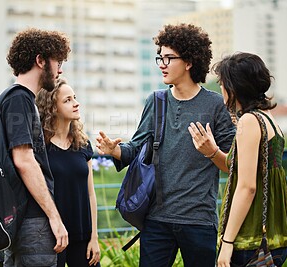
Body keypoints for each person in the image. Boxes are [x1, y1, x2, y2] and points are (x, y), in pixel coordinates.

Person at [96, 23, 235, 267]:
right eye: (160, 57)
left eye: (169, 58)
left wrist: (211, 152)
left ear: (189, 62)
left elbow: (233, 166)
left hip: (199, 219)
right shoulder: (157, 101)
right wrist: (114, 150)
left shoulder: (215, 105)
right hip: (156, 219)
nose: (162, 63)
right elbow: (137, 149)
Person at [188, 52, 287, 267]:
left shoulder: (249, 121)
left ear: (233, 87)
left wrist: (227, 242)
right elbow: (244, 169)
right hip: (274, 239)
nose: (221, 89)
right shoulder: (268, 119)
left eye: (222, 83)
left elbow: (247, 187)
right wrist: (212, 151)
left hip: (251, 241)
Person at [1, 28, 71, 266]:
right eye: (57, 62)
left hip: (16, 218)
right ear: (40, 60)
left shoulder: (11, 99)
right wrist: (54, 217)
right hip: (32, 222)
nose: (60, 69)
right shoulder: (19, 99)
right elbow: (24, 160)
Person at [36, 78, 101, 267]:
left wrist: (94, 237)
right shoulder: (40, 148)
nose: (76, 103)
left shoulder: (82, 144)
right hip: (53, 238)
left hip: (83, 236)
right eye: (68, 100)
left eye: (75, 98)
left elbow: (90, 193)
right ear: (52, 108)